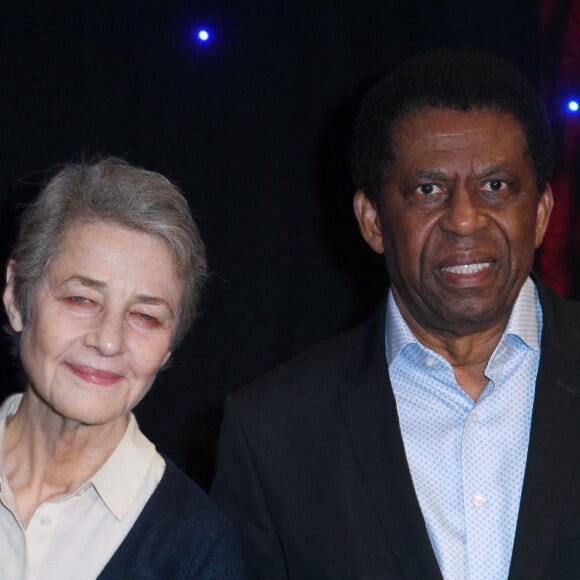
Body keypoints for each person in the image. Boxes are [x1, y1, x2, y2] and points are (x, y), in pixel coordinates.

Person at [211, 49, 580, 579]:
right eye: (428, 190)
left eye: (494, 186)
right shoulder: (275, 433)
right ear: (373, 221)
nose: (464, 219)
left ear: (541, 214)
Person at [0, 157, 245, 579]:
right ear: (16, 298)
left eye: (146, 316)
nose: (109, 340)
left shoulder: (198, 550)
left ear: (170, 346)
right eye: (81, 299)